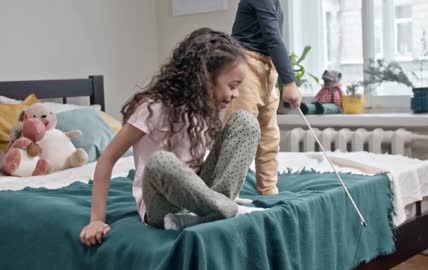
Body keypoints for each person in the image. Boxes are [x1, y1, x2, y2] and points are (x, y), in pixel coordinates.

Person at [80, 28, 264, 246]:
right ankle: (226, 209)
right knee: (160, 161)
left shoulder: (203, 109)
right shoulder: (152, 108)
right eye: (232, 86)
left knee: (246, 121)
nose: (236, 94)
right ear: (205, 78)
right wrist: (96, 220)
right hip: (162, 207)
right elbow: (107, 158)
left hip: (199, 194)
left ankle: (219, 207)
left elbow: (215, 161)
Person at [225, 0, 302, 195]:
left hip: (267, 69)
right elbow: (272, 36)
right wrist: (290, 82)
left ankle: (268, 190)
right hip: (247, 64)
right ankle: (226, 194)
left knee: (269, 136)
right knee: (240, 134)